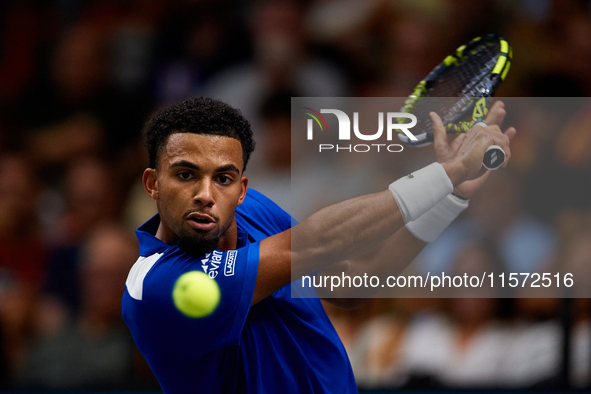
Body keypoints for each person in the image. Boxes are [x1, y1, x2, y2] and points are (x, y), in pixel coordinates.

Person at [122, 97, 515, 393]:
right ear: (153, 184)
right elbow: (315, 244)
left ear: (242, 189)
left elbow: (352, 285)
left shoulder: (253, 211)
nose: (206, 194)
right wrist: (447, 172)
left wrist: (449, 195)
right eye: (186, 174)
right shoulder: (158, 289)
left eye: (223, 178)